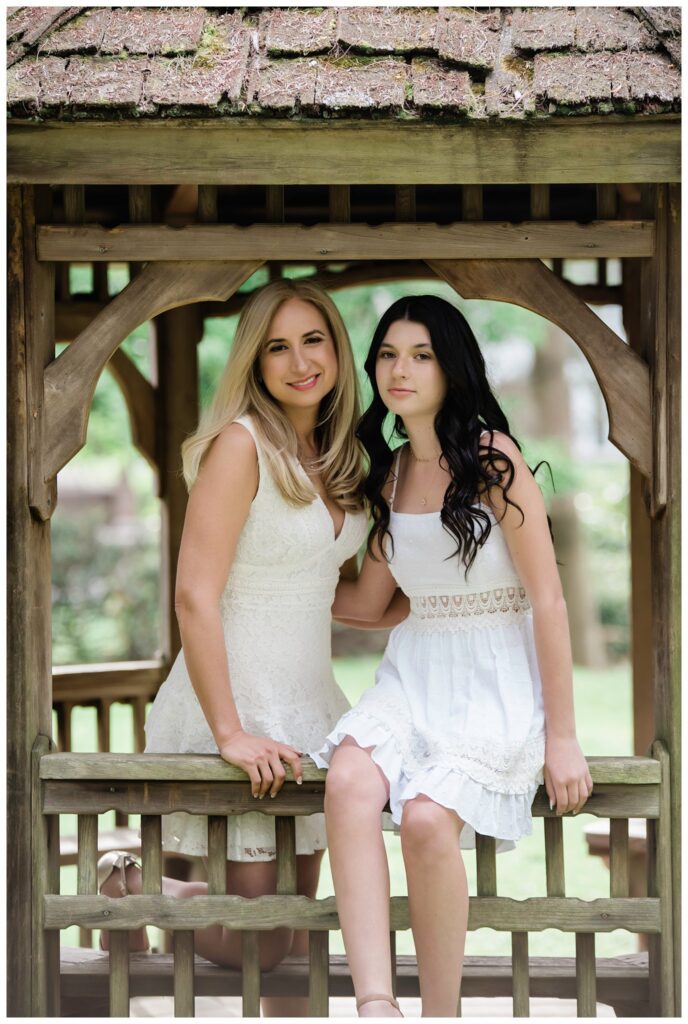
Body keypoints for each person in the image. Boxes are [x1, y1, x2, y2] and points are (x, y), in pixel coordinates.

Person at [97, 279, 400, 1016]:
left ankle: (150, 895)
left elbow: (355, 601)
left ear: (336, 348)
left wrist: (467, 590)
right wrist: (230, 730)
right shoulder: (242, 446)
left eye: (314, 340)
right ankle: (132, 888)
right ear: (255, 363)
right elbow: (194, 594)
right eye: (277, 347)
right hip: (229, 703)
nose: (300, 361)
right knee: (259, 941)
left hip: (310, 709)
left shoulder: (346, 461)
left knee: (293, 929)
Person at [312, 294, 593, 1017]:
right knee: (346, 781)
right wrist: (271, 591)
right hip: (416, 668)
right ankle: (377, 1001)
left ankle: (441, 1012)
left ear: (452, 367)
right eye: (387, 355)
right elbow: (371, 606)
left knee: (428, 819)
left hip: (497, 673)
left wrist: (563, 739)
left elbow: (550, 602)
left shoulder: (492, 460)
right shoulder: (392, 473)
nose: (398, 371)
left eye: (421, 355)